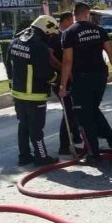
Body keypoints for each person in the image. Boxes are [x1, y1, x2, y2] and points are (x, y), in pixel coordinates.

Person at [59, 2, 112, 164]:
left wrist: (63, 85)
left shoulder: (69, 33)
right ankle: (111, 138)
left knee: (84, 116)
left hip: (82, 78)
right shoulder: (99, 30)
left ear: (74, 15)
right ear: (87, 14)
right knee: (92, 109)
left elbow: (67, 61)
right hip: (100, 76)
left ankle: (94, 153)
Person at [5, 15, 61, 166]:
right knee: (36, 128)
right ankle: (41, 157)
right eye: (50, 34)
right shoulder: (38, 46)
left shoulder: (16, 40)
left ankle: (24, 156)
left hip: (18, 94)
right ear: (45, 29)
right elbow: (44, 73)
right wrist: (57, 80)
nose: (51, 37)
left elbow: (9, 65)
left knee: (23, 125)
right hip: (34, 95)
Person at [48, 11, 83, 155]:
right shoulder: (57, 35)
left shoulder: (65, 35)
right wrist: (64, 69)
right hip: (60, 80)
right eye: (73, 20)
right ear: (68, 20)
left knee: (72, 109)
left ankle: (75, 139)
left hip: (68, 79)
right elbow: (48, 55)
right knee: (69, 111)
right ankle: (64, 147)